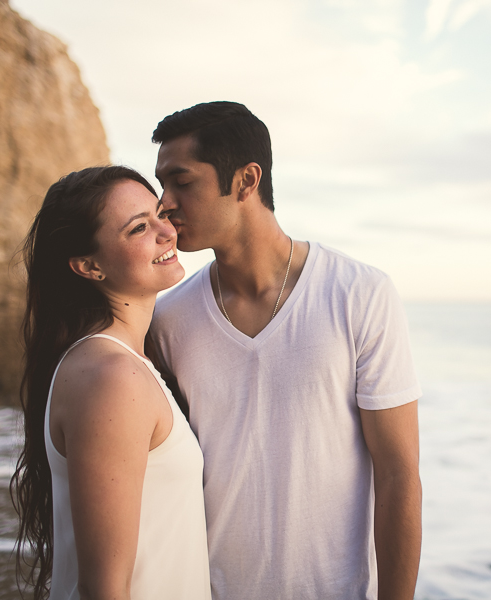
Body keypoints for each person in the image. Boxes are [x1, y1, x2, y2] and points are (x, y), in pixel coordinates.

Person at [148, 102, 422, 599]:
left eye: (181, 182)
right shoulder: (168, 319)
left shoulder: (359, 293)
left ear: (246, 181)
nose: (163, 203)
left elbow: (399, 475)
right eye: (160, 184)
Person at [10, 166, 211, 600]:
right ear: (89, 266)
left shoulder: (116, 362)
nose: (167, 231)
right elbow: (103, 590)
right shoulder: (113, 379)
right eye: (139, 227)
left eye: (159, 213)